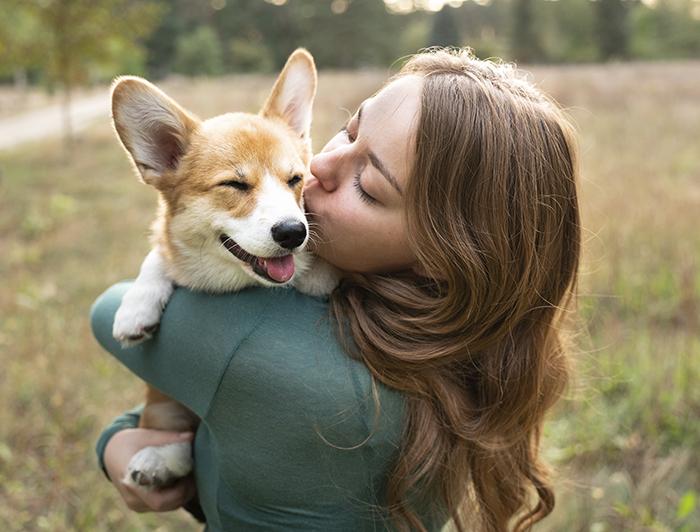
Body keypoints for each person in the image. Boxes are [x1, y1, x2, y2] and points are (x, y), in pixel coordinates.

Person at [91, 48, 581, 532]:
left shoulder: (257, 350)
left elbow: (107, 314)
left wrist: (113, 443)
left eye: (367, 185)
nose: (315, 169)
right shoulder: (458, 352)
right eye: (348, 130)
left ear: (443, 256)